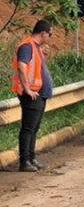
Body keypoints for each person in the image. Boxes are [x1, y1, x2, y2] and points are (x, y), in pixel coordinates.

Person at [12, 20, 54, 172]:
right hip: (31, 95)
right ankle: (25, 161)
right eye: (50, 34)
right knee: (28, 129)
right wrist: (27, 89)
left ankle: (31, 158)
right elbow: (22, 66)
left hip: (39, 94)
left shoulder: (36, 48)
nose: (50, 37)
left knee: (34, 128)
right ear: (43, 33)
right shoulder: (27, 46)